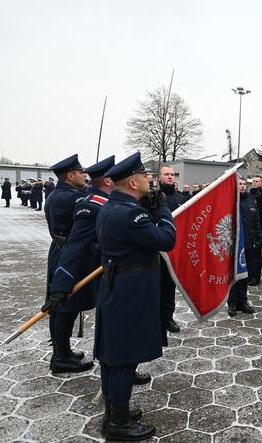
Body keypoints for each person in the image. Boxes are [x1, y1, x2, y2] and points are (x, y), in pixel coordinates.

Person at [95, 152, 176, 440]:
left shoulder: (112, 206)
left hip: (118, 286)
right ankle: (118, 423)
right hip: (129, 291)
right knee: (123, 357)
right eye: (144, 176)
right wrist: (163, 210)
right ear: (132, 183)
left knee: (114, 355)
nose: (148, 180)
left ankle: (115, 412)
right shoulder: (131, 213)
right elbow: (167, 240)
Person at [42, 154, 89, 373]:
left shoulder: (58, 193)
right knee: (64, 306)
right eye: (81, 172)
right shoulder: (71, 197)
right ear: (70, 175)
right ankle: (60, 358)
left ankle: (64, 351)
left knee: (64, 306)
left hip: (60, 250)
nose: (84, 175)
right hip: (67, 253)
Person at [157, 166, 188, 333]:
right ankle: (154, 319)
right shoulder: (152, 197)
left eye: (172, 174)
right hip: (156, 251)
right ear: (159, 178)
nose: (170, 177)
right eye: (166, 174)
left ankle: (168, 318)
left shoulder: (181, 198)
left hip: (174, 250)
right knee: (154, 287)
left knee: (169, 288)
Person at [228, 178, 260, 316]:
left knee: (245, 275)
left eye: (243, 184)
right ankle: (232, 303)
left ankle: (243, 301)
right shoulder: (230, 201)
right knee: (234, 276)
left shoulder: (251, 201)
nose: (241, 186)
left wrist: (259, 237)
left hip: (248, 244)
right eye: (239, 184)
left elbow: (257, 221)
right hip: (233, 246)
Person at [249, 175, 262, 285]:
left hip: (258, 228)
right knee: (249, 255)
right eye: (253, 181)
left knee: (256, 256)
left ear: (261, 183)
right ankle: (250, 275)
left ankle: (256, 277)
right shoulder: (249, 195)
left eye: (257, 181)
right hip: (249, 228)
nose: (255, 183)